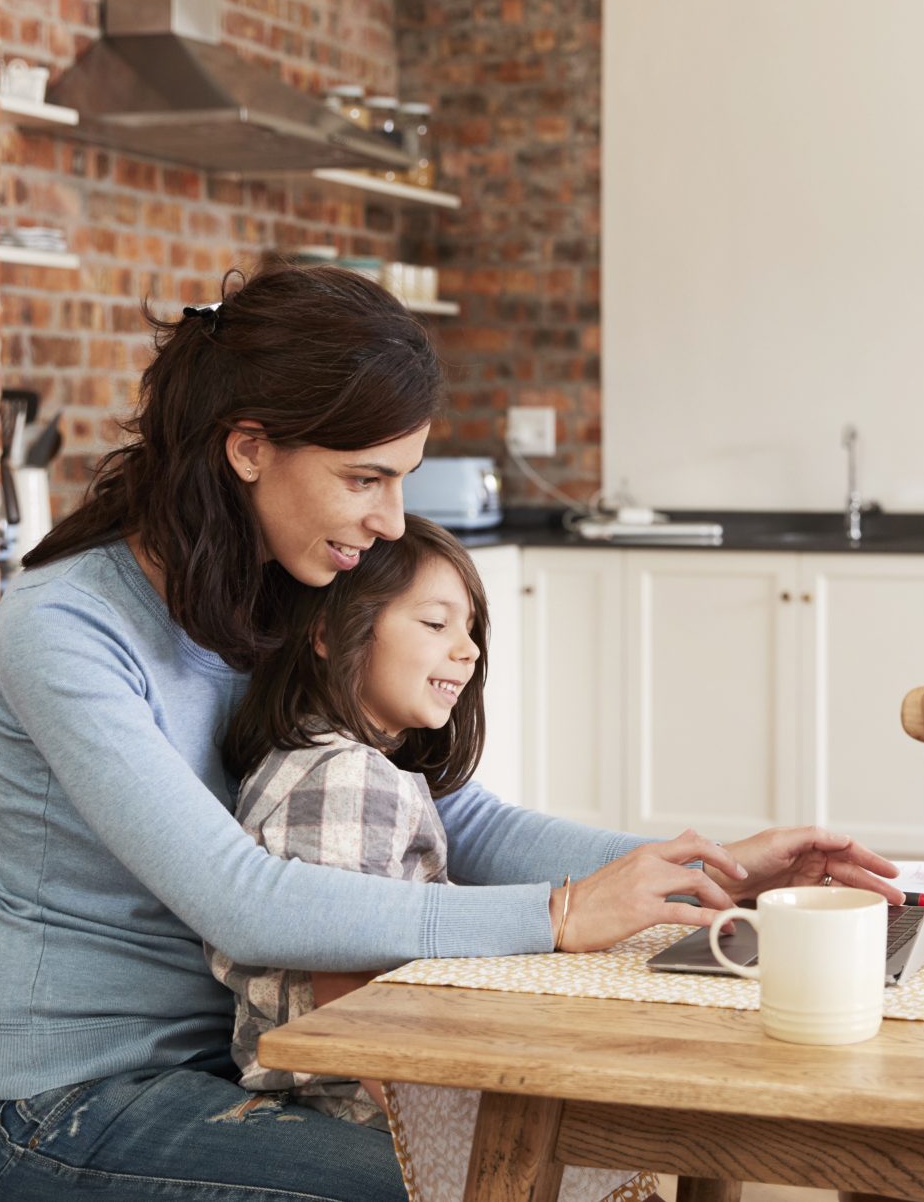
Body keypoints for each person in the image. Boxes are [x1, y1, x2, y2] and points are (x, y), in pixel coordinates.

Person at [0, 263, 901, 1202]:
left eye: (400, 479)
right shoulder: (66, 628)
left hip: (251, 1067)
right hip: (63, 1110)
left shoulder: (280, 593)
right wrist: (558, 916)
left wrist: (712, 872)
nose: (391, 518)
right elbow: (241, 902)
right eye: (366, 478)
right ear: (247, 449)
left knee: (597, 1155)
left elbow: (458, 820)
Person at [209, 514, 652, 1200]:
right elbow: (351, 1020)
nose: (468, 650)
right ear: (328, 633)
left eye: (470, 629)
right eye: (436, 623)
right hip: (345, 1105)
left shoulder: (344, 766)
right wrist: (458, 1132)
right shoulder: (343, 778)